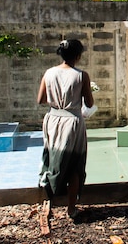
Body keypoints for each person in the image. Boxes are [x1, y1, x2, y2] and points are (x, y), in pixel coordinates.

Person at [38, 39, 93, 219]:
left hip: (53, 120)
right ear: (78, 56)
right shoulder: (81, 75)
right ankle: (71, 208)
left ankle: (50, 199)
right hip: (73, 123)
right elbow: (90, 103)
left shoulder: (49, 73)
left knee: (53, 158)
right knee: (74, 165)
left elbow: (40, 99)